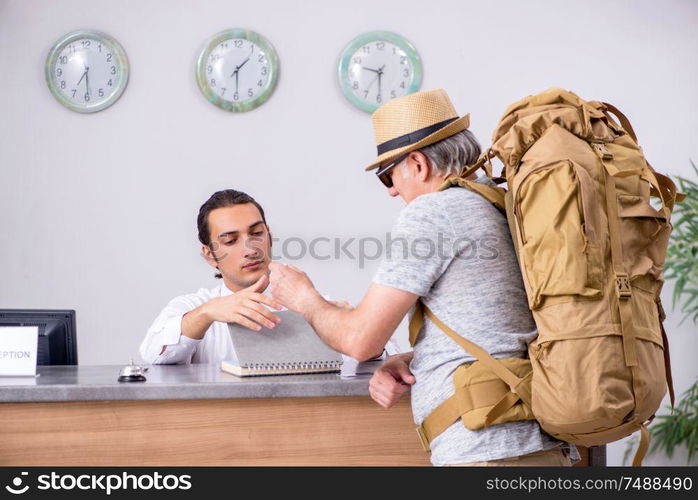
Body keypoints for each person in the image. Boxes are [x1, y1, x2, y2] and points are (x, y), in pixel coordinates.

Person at [268, 89, 578, 466]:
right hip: (534, 444)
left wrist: (305, 299)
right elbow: (503, 329)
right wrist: (419, 359)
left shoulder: (434, 212)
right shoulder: (500, 203)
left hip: (487, 452)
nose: (393, 191)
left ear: (417, 164)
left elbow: (360, 340)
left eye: (388, 176)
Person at [139, 189, 286, 365]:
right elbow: (152, 354)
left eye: (256, 233)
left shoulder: (306, 302)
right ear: (209, 255)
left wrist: (314, 307)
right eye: (231, 241)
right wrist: (206, 313)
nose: (251, 250)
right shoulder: (192, 306)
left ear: (269, 236)